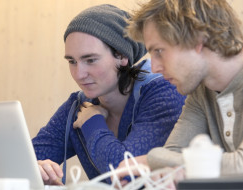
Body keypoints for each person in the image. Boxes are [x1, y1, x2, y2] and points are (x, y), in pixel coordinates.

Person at [117, 0, 243, 183]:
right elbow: (172, 156)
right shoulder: (202, 90)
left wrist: (152, 159)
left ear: (198, 39)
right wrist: (165, 171)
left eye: (159, 51)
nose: (154, 67)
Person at [32, 4, 186, 185]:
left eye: (90, 60)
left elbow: (126, 175)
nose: (79, 74)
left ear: (122, 56)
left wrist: (92, 123)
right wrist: (36, 168)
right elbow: (19, 160)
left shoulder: (163, 92)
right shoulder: (78, 106)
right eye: (72, 61)